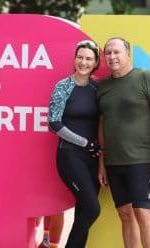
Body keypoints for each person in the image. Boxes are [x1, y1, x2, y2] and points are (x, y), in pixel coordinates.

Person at [97, 37, 150, 248]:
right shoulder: (102, 87)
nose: (112, 57)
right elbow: (101, 125)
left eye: (117, 52)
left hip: (141, 159)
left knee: (143, 214)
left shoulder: (144, 77)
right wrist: (102, 162)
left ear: (128, 55)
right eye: (108, 53)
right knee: (125, 214)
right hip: (113, 162)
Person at [48, 40, 102, 248]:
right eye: (79, 57)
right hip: (70, 155)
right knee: (92, 209)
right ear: (74, 59)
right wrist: (85, 143)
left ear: (95, 62)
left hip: (94, 159)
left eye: (88, 58)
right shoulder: (63, 86)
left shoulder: (97, 88)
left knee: (83, 211)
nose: (83, 62)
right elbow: (54, 123)